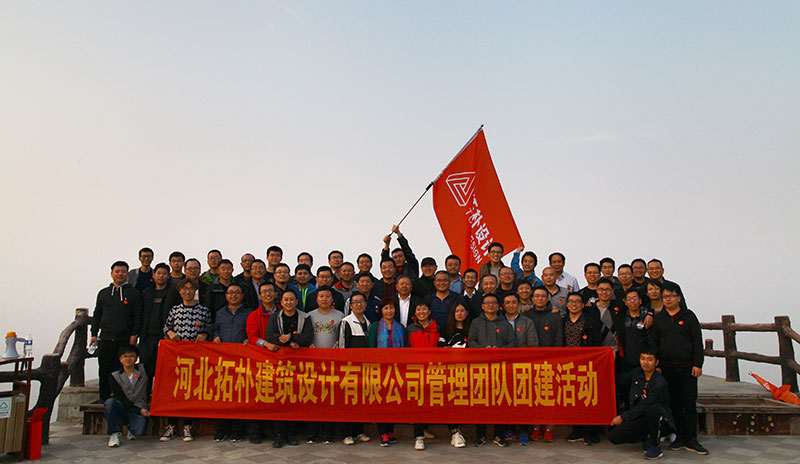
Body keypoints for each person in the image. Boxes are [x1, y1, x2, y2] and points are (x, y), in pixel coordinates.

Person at [648, 282, 708, 455]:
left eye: (672, 296)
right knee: (673, 404)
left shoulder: (689, 316)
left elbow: (697, 342)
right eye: (665, 296)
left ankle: (692, 439)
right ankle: (680, 437)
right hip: (667, 368)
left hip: (687, 368)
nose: (668, 299)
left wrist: (698, 364)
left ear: (679, 298)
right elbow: (654, 343)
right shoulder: (660, 319)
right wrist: (657, 364)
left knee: (688, 403)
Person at [160, 278, 211, 442]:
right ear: (180, 291)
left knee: (190, 390)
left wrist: (204, 334)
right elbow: (166, 327)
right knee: (174, 390)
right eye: (185, 289)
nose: (188, 291)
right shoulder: (175, 310)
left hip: (195, 358)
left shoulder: (203, 310)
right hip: (176, 357)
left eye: (191, 288)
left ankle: (187, 425)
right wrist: (170, 333)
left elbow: (210, 326)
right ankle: (172, 425)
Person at [264, 290, 313, 448]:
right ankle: (279, 435)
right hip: (279, 363)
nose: (289, 302)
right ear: (281, 302)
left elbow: (307, 337)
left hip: (298, 364)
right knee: (279, 399)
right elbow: (269, 336)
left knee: (293, 398)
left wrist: (291, 337)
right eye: (286, 300)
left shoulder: (305, 317)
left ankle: (291, 434)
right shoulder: (275, 317)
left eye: (292, 299)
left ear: (297, 301)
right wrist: (288, 342)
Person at [609, 345, 676, 460]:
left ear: (656, 362)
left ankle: (655, 445)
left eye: (650, 360)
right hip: (642, 418)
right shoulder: (637, 373)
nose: (646, 362)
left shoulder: (660, 383)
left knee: (652, 409)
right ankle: (647, 436)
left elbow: (645, 405)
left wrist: (623, 417)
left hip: (660, 420)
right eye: (643, 359)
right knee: (614, 436)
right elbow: (620, 379)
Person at [468, 293, 517, 447]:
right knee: (480, 402)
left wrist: (500, 351)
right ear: (483, 306)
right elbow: (471, 341)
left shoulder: (505, 323)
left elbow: (512, 343)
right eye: (487, 303)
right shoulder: (476, 322)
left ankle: (499, 434)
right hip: (480, 368)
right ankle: (480, 434)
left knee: (500, 402)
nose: (490, 305)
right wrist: (483, 350)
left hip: (500, 369)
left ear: (498, 306)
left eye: (493, 303)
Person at [91, 261, 143, 402]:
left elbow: (138, 315)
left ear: (127, 274)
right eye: (117, 271)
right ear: (111, 273)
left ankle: (122, 398)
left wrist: (134, 334)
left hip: (124, 338)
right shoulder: (104, 293)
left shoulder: (133, 293)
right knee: (104, 368)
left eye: (123, 271)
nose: (120, 274)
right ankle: (104, 397)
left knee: (122, 369)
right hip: (106, 337)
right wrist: (94, 334)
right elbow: (97, 314)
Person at [562, 292, 608, 445]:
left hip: (587, 365)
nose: (574, 304)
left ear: (583, 305)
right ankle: (577, 430)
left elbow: (600, 342)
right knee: (573, 399)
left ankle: (591, 432)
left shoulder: (591, 322)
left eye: (577, 302)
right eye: (571, 301)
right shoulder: (562, 321)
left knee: (588, 398)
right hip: (568, 366)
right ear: (567, 305)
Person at [211, 284, 253, 443]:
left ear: (242, 295)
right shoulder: (220, 313)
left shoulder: (248, 313)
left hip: (242, 360)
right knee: (223, 395)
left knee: (239, 395)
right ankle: (221, 430)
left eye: (237, 293)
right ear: (226, 296)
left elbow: (251, 332)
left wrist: (248, 339)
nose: (233, 295)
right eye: (230, 293)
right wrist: (215, 336)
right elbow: (215, 329)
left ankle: (237, 431)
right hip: (223, 360)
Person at [305, 286, 344, 444]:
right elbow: (306, 336)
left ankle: (328, 434)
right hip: (314, 364)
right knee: (313, 398)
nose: (324, 299)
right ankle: (312, 434)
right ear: (316, 299)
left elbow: (342, 336)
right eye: (321, 296)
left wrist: (338, 343)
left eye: (327, 296)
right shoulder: (309, 316)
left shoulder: (340, 315)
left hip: (332, 364)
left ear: (332, 299)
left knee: (330, 399)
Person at [523, 286, 562, 443]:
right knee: (533, 396)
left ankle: (549, 429)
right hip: (531, 361)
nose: (540, 299)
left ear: (547, 298)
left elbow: (558, 339)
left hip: (550, 361)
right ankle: (536, 427)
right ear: (532, 298)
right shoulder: (527, 315)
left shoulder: (555, 315)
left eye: (543, 296)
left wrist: (556, 359)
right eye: (537, 296)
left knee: (549, 396)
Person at [405, 302, 443, 450]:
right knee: (418, 403)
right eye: (418, 309)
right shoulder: (410, 328)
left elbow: (442, 348)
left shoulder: (437, 327)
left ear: (429, 311)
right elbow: (406, 349)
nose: (422, 312)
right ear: (415, 313)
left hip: (434, 371)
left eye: (424, 309)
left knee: (433, 402)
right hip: (416, 371)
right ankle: (418, 436)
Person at [368, 298, 405, 446]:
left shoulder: (400, 327)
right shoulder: (375, 327)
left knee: (394, 400)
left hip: (396, 370)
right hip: (380, 369)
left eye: (391, 308)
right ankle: (382, 432)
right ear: (381, 311)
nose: (389, 311)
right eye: (386, 308)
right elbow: (371, 348)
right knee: (381, 401)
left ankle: (390, 430)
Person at [502, 293, 538, 446]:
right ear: (503, 305)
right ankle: (508, 429)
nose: (511, 305)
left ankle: (523, 429)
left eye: (513, 302)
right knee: (505, 398)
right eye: (507, 302)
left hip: (522, 366)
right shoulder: (499, 321)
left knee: (522, 399)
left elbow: (533, 345)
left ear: (518, 304)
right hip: (502, 367)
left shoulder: (527, 322)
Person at [338, 292, 372, 445]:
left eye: (361, 301)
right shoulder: (346, 322)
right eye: (355, 302)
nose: (359, 304)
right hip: (349, 369)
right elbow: (342, 346)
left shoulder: (368, 323)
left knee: (360, 402)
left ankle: (359, 431)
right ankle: (347, 434)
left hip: (364, 370)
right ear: (350, 306)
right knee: (347, 402)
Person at [104, 345, 149, 448]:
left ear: (136, 358)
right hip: (124, 408)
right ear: (120, 359)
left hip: (138, 407)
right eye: (125, 356)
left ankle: (131, 429)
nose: (128, 359)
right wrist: (139, 410)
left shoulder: (143, 370)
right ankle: (114, 434)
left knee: (138, 431)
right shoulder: (115, 375)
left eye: (131, 356)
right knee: (110, 403)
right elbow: (120, 397)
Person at [617, 288, 653, 413]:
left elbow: (652, 340)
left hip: (643, 364)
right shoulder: (621, 317)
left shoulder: (647, 317)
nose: (632, 301)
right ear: (625, 302)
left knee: (643, 397)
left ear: (640, 301)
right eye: (629, 299)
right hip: (626, 363)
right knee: (627, 396)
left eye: (635, 298)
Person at [139, 263, 170, 391]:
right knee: (145, 367)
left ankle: (160, 396)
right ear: (153, 275)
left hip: (164, 337)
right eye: (159, 273)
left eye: (164, 273)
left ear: (168, 276)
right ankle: (145, 395)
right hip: (147, 336)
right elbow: (139, 313)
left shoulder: (172, 293)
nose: (161, 276)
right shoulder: (146, 293)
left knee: (163, 368)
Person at [444, 299, 470, 448]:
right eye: (457, 311)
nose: (460, 314)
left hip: (469, 372)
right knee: (452, 401)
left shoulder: (472, 328)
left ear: (467, 313)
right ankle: (455, 432)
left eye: (462, 311)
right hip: (450, 372)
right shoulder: (446, 329)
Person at [426, 271, 459, 338]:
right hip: (432, 335)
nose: (442, 283)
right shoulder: (428, 298)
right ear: (434, 283)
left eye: (445, 280)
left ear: (450, 282)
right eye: (439, 280)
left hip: (453, 335)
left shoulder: (457, 298)